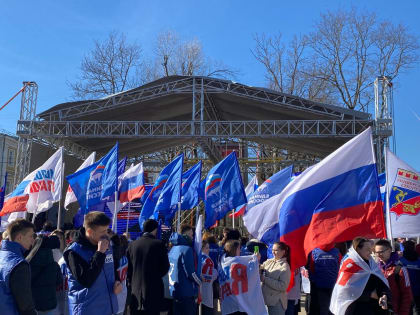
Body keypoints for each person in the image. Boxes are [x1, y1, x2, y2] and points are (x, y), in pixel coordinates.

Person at [63, 211, 121, 315]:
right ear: (89, 232)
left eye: (107, 230)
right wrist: (99, 253)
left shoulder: (106, 245)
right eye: (102, 231)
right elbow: (86, 280)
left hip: (108, 308)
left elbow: (112, 268)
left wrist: (117, 281)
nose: (106, 235)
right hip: (87, 309)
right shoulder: (74, 252)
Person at [330, 237, 390, 315]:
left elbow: (381, 282)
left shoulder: (371, 263)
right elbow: (344, 291)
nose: (371, 252)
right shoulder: (349, 264)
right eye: (367, 249)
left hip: (373, 308)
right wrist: (369, 294)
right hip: (354, 309)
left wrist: (384, 295)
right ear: (358, 249)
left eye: (371, 249)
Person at [126, 219, 169, 315]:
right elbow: (165, 267)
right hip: (153, 289)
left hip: (135, 289)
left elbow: (128, 268)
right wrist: (155, 275)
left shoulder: (132, 244)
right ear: (155, 229)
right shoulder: (159, 244)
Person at [0, 218, 37, 315]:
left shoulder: (3, 256)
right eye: (31, 236)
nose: (33, 240)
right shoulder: (19, 264)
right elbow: (25, 305)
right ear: (19, 237)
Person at [168, 224, 201, 315]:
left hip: (174, 290)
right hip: (186, 292)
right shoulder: (187, 250)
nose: (192, 237)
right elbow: (191, 273)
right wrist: (200, 281)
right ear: (185, 235)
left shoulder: (173, 249)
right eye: (191, 234)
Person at [375, 239, 413, 315]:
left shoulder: (400, 269)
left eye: (381, 252)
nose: (378, 255)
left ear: (389, 250)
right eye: (376, 253)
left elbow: (407, 295)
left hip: (397, 310)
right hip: (382, 310)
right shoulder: (376, 269)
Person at [27, 232, 62, 314]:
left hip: (33, 305)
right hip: (50, 305)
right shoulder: (54, 264)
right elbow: (59, 282)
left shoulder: (28, 262)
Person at [307, 245, 341, 315]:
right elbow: (341, 266)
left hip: (319, 284)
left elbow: (311, 268)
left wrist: (313, 280)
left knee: (321, 306)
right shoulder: (337, 252)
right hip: (334, 284)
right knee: (332, 306)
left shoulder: (314, 252)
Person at [260, 242, 291, 315]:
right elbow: (259, 268)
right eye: (272, 250)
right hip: (265, 301)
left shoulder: (285, 266)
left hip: (276, 304)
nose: (273, 252)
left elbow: (283, 286)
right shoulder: (268, 261)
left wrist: (265, 279)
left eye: (276, 250)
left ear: (283, 252)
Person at [399, 240, 420, 315]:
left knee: (407, 310)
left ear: (404, 248)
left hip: (405, 291)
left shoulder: (400, 261)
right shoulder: (419, 260)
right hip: (417, 291)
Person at [200, 240, 218, 315]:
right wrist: (216, 273)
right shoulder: (208, 260)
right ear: (202, 248)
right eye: (207, 248)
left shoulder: (197, 258)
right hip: (207, 291)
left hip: (199, 291)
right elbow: (211, 276)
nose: (209, 250)